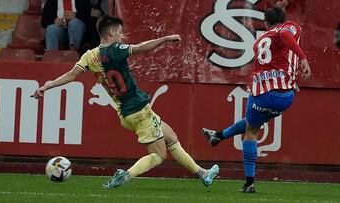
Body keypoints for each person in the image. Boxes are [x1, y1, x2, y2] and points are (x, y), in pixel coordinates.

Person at [33, 14, 219, 189]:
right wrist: (166, 39)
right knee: (158, 155)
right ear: (112, 32)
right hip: (139, 110)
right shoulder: (115, 50)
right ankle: (126, 175)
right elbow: (140, 47)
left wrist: (47, 86)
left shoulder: (90, 56)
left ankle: (203, 174)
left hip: (125, 111)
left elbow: (71, 75)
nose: (122, 37)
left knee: (170, 136)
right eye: (120, 32)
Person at [201, 7, 311, 193]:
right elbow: (285, 35)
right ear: (284, 19)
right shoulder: (292, 26)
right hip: (285, 97)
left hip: (262, 92)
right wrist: (301, 62)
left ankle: (249, 183)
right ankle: (218, 135)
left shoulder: (260, 41)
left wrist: (302, 58)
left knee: (251, 132)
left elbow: (282, 35)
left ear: (266, 23)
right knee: (252, 123)